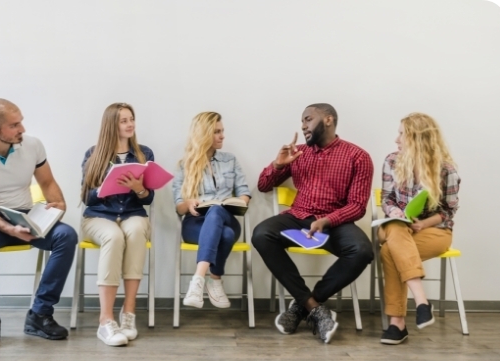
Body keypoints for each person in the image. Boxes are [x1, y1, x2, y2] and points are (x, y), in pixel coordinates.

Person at [0, 98, 77, 352]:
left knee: (67, 235)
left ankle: (40, 314)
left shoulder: (32, 145)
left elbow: (47, 182)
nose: (22, 129)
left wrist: (58, 204)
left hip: (27, 215)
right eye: (14, 125)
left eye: (21, 122)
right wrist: (8, 228)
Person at [251, 103, 374, 344]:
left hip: (335, 221)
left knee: (362, 251)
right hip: (298, 217)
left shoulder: (358, 156)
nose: (303, 126)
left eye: (308, 119)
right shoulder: (298, 153)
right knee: (261, 234)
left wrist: (328, 220)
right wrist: (278, 165)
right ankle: (314, 308)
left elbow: (358, 206)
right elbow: (264, 186)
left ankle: (301, 306)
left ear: (328, 120)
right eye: (302, 122)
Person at [378, 112, 460, 345]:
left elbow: (448, 211)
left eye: (402, 134)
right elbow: (386, 198)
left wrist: (423, 223)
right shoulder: (392, 161)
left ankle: (397, 325)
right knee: (395, 227)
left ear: (417, 139)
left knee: (389, 252)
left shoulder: (446, 170)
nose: (397, 140)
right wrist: (394, 211)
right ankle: (422, 301)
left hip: (434, 231)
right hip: (394, 226)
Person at [80, 103, 154, 347]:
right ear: (112, 124)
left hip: (133, 213)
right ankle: (106, 321)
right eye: (123, 120)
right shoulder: (94, 153)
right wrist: (104, 187)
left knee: (133, 232)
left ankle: (128, 313)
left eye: (131, 119)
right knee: (114, 236)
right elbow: (86, 198)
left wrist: (138, 188)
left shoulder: (144, 154)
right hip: (99, 216)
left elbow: (149, 197)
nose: (130, 124)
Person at [173, 112, 251, 310]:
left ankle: (197, 281)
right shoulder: (185, 165)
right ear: (204, 134)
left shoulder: (230, 160)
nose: (222, 136)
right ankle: (214, 280)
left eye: (222, 131)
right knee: (225, 234)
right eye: (217, 132)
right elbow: (179, 205)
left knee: (216, 210)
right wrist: (188, 203)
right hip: (195, 223)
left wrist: (240, 201)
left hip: (227, 217)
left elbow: (244, 192)